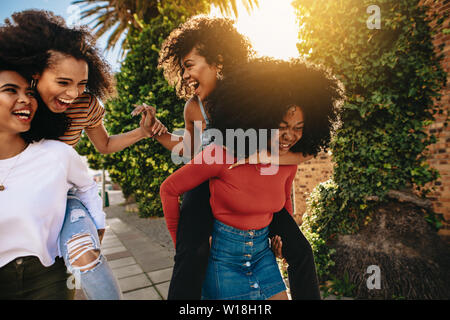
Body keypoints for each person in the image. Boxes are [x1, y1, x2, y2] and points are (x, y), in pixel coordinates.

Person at [140, 15, 323, 299]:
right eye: (183, 69)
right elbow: (189, 149)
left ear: (218, 61)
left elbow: (294, 151)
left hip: (254, 184)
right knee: (191, 254)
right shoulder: (193, 107)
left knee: (300, 251)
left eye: (190, 65)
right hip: (205, 177)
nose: (186, 75)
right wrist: (155, 131)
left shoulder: (251, 99)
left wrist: (254, 158)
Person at [0, 10, 166, 299]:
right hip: (20, 202)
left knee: (83, 254)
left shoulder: (83, 106)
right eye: (63, 82)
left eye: (81, 84)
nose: (73, 94)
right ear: (35, 76)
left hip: (65, 199)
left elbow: (104, 145)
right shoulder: (18, 104)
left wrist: (142, 132)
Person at [160, 57, 342, 300]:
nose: (290, 135)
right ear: (260, 118)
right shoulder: (221, 155)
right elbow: (169, 190)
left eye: (299, 127)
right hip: (223, 260)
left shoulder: (288, 162)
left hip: (262, 256)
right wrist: (182, 246)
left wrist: (280, 241)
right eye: (282, 125)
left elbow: (283, 206)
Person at [0, 61, 107, 299]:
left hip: (48, 269)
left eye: (28, 93)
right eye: (10, 90)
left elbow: (91, 177)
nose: (72, 92)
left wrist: (97, 225)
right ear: (37, 77)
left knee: (88, 257)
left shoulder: (56, 152)